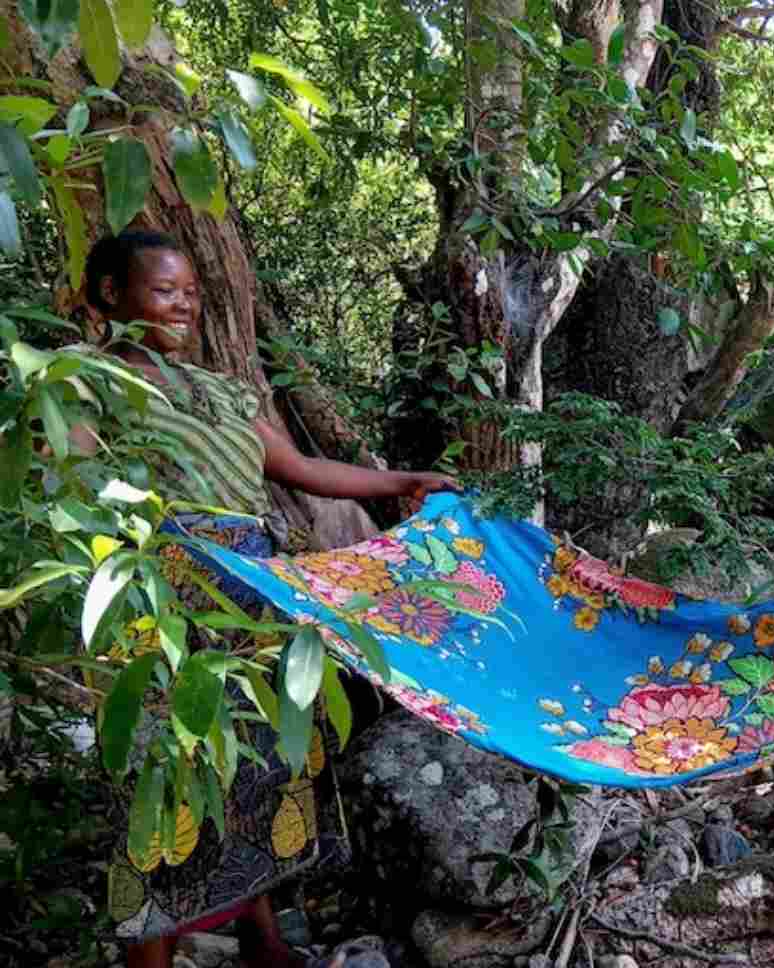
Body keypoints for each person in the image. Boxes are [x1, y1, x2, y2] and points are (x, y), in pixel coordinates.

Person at [73, 231, 456, 968]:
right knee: (165, 772)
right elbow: (82, 492)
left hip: (250, 590)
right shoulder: (89, 381)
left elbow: (302, 468)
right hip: (161, 597)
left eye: (190, 291)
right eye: (163, 289)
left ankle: (262, 935)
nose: (184, 303)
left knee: (257, 764)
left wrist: (404, 480)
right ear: (111, 294)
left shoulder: (221, 388)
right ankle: (148, 954)